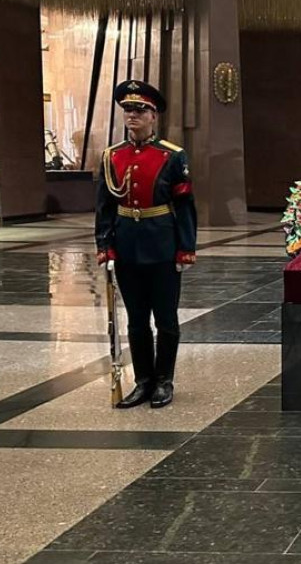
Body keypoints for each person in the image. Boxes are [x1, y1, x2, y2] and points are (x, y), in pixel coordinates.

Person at [96, 80, 197, 409]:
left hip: (162, 246)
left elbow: (184, 206)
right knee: (136, 319)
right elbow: (105, 206)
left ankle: (164, 380)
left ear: (154, 115)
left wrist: (185, 248)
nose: (132, 115)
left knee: (166, 318)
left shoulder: (172, 156)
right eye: (127, 110)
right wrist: (105, 245)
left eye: (140, 110)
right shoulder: (112, 156)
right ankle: (143, 381)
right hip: (127, 246)